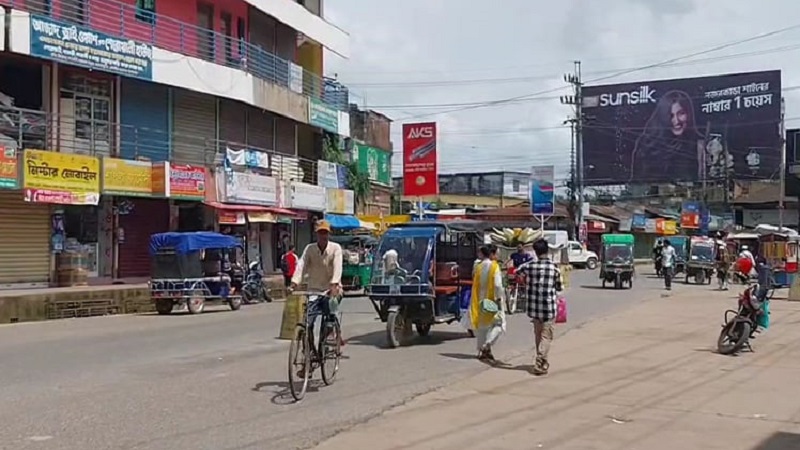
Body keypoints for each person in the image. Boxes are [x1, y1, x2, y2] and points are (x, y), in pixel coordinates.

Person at [290, 220, 344, 372]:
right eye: (320, 233)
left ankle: (329, 336)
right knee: (307, 323)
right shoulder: (310, 249)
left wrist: (334, 284)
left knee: (328, 317)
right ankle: (309, 356)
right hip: (314, 290)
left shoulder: (335, 248)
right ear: (316, 234)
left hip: (331, 290)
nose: (323, 236)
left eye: (325, 233)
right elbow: (301, 265)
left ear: (329, 234)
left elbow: (338, 267)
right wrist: (294, 282)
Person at [630, 90, 705, 183]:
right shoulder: (647, 145)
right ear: (662, 117)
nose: (676, 121)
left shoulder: (699, 145)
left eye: (681, 113)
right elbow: (637, 185)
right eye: (671, 115)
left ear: (688, 114)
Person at [516, 238, 562, 376]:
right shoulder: (554, 268)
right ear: (547, 251)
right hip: (548, 307)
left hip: (534, 308)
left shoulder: (529, 266)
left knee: (538, 334)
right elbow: (559, 287)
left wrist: (526, 282)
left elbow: (517, 272)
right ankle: (540, 360)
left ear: (535, 252)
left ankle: (542, 360)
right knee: (546, 336)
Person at [470, 244, 506, 362]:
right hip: (492, 299)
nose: (498, 255)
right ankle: (487, 345)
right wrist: (499, 298)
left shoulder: (478, 266)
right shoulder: (494, 266)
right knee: (499, 325)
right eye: (497, 253)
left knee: (482, 327)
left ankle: (483, 351)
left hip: (479, 299)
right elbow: (497, 285)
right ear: (491, 254)